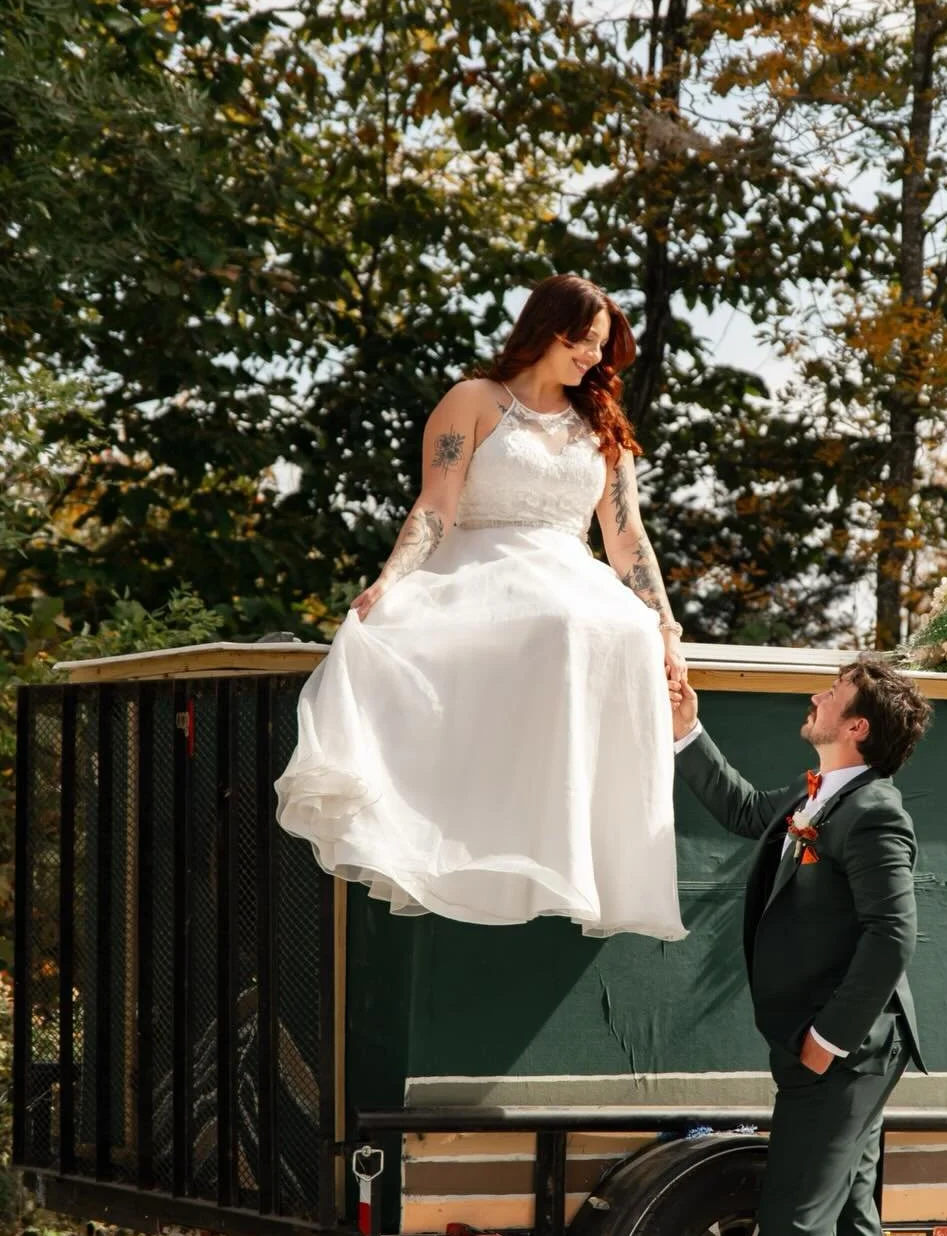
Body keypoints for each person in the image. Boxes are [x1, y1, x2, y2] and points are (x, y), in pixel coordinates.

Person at [274, 274, 687, 941]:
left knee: (620, 629)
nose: (592, 357)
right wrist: (389, 580)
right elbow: (436, 504)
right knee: (554, 625)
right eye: (583, 341)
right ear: (546, 328)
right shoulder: (473, 400)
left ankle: (581, 854)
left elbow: (626, 537)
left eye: (600, 347)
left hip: (573, 576)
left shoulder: (603, 427)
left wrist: (666, 628)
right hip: (482, 571)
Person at [669, 659, 932, 1236]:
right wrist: (686, 728)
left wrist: (827, 1040)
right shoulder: (815, 796)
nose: (815, 697)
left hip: (846, 1054)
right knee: (849, 1216)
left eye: (832, 693)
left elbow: (894, 935)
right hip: (838, 1052)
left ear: (857, 726)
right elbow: (745, 810)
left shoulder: (874, 812)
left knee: (794, 1218)